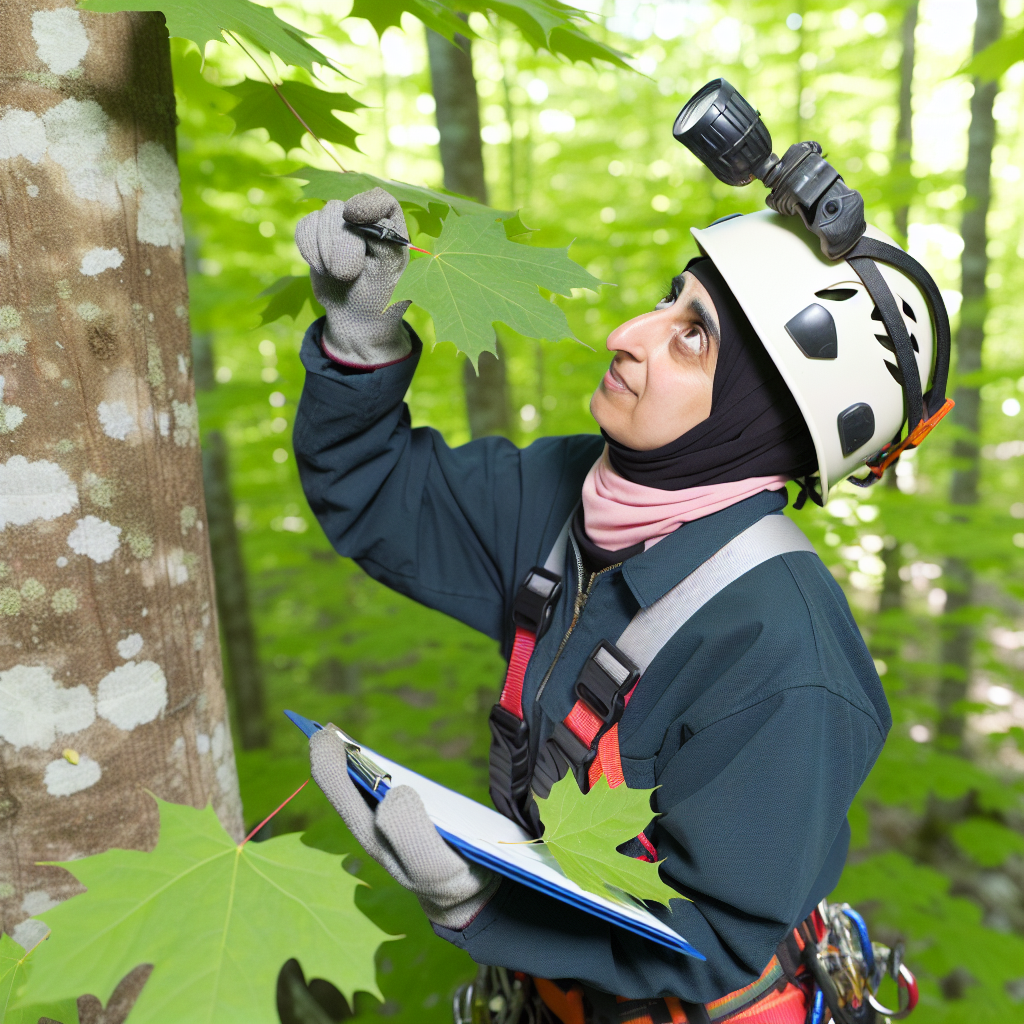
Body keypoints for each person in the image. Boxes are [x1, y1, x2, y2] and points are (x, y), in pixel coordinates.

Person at [292, 186, 941, 1024]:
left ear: (764, 414)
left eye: (693, 338)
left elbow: (716, 938)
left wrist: (481, 903)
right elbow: (381, 496)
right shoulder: (567, 494)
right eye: (672, 298)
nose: (628, 335)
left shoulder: (785, 658)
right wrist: (361, 336)